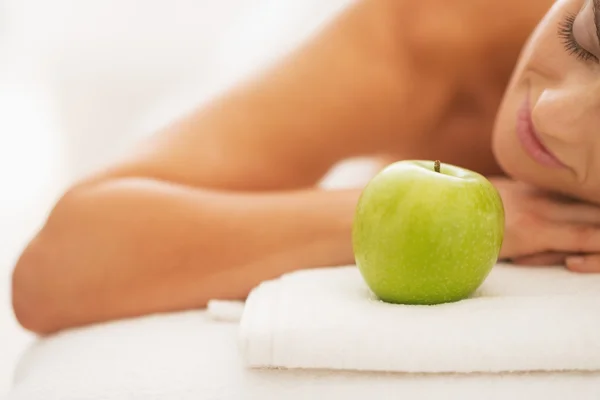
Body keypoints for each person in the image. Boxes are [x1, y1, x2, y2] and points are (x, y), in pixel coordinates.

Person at [12, 0, 600, 334]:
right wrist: (463, 217)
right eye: (586, 37)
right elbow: (57, 268)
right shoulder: (439, 29)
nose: (551, 113)